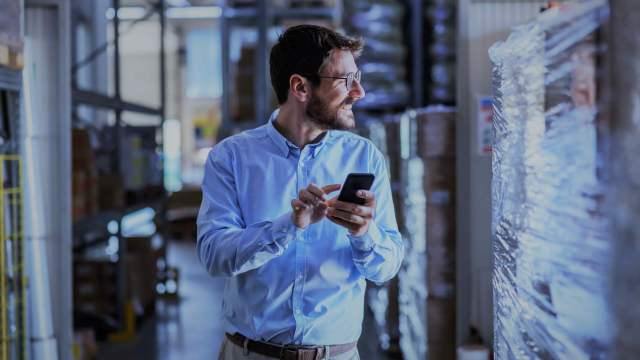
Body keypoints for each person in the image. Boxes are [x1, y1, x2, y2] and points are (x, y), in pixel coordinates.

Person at [196, 24, 404, 360]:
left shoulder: (364, 157)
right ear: (300, 87)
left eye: (358, 78)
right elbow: (214, 255)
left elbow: (387, 266)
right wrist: (288, 226)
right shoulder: (231, 158)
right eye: (346, 81)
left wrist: (365, 233)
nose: (359, 92)